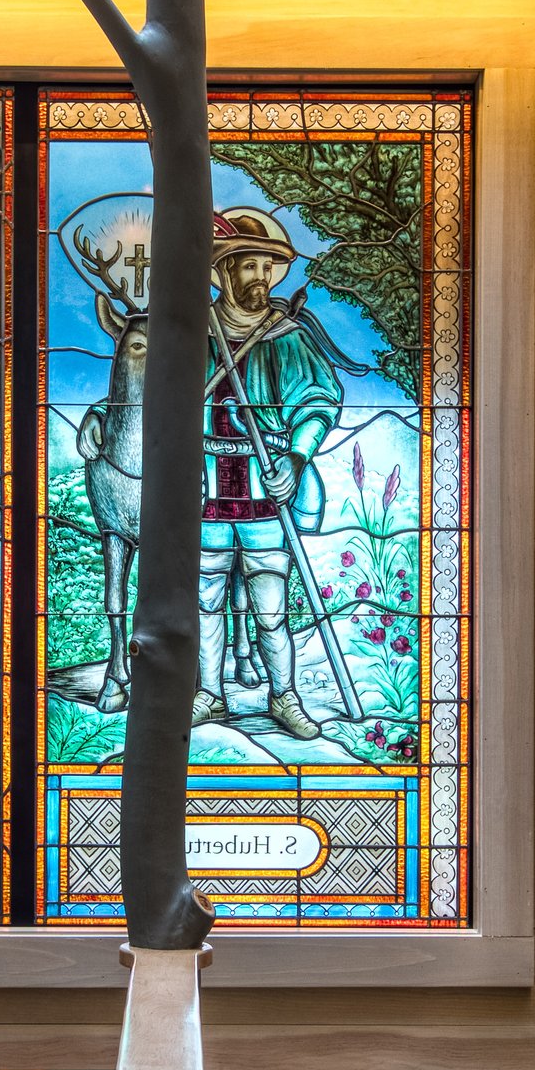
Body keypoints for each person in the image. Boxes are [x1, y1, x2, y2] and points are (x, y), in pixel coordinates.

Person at [194, 208, 343, 740]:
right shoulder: (193, 328)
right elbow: (143, 393)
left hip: (265, 489)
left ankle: (284, 697)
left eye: (267, 268)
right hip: (204, 488)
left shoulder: (285, 335)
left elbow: (318, 401)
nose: (259, 278)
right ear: (225, 272)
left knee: (271, 607)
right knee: (206, 601)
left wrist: (296, 458)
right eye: (248, 267)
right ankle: (209, 695)